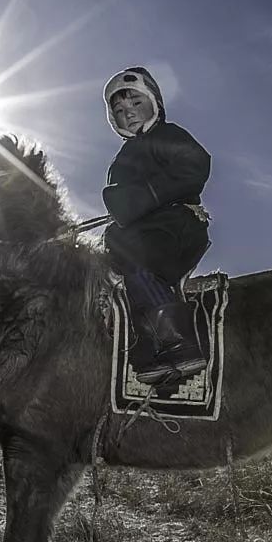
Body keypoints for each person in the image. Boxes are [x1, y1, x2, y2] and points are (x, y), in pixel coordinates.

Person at [101, 66, 212, 386]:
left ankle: (180, 343)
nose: (128, 114)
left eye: (136, 103)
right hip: (142, 231)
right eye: (119, 111)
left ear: (155, 102)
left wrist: (145, 196)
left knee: (133, 253)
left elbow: (196, 164)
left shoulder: (168, 135)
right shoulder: (123, 157)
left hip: (177, 224)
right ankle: (145, 345)